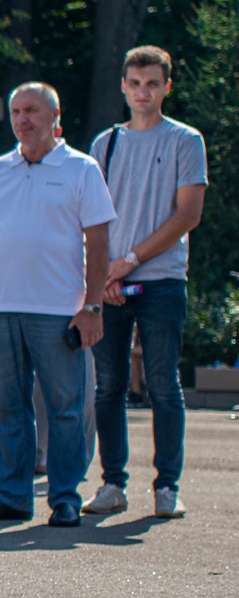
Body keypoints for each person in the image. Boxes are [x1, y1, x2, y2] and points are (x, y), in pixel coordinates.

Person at [0, 83, 116, 526]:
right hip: (3, 308)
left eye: (31, 110)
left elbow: (99, 239)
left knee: (65, 408)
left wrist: (92, 307)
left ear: (54, 116)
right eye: (15, 111)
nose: (21, 119)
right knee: (9, 407)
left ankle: (65, 497)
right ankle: (12, 496)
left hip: (58, 310)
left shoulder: (81, 169)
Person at [87, 47, 208, 521]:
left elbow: (188, 214)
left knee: (162, 384)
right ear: (122, 86)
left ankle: (167, 487)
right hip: (110, 284)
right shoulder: (105, 144)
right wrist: (101, 275)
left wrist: (129, 261)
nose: (143, 92)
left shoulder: (185, 140)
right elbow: (90, 218)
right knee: (109, 385)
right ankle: (112, 484)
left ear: (167, 87)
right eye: (135, 83)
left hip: (160, 281)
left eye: (153, 84)